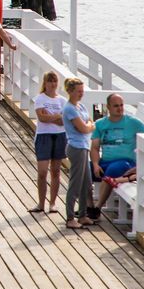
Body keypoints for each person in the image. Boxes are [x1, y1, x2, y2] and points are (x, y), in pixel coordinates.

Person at [91, 93, 144, 209]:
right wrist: (95, 164)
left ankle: (97, 208)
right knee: (83, 171)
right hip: (105, 161)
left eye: (121, 105)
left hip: (125, 162)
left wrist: (141, 163)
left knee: (113, 169)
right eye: (116, 106)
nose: (120, 108)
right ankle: (87, 206)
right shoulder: (100, 124)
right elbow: (94, 148)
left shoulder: (133, 122)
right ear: (108, 107)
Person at [62, 78, 96, 230]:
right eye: (78, 91)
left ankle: (82, 215)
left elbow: (90, 122)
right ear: (70, 91)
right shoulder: (69, 108)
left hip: (84, 147)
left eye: (82, 91)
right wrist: (89, 126)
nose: (81, 94)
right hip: (76, 147)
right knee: (75, 183)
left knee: (86, 183)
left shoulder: (80, 106)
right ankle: (70, 218)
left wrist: (88, 125)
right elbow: (84, 128)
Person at [30, 71, 66, 215]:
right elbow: (41, 118)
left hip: (59, 135)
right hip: (44, 136)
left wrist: (50, 116)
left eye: (55, 81)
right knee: (42, 172)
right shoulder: (40, 98)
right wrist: (56, 117)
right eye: (50, 81)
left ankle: (53, 203)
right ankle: (41, 203)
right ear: (45, 83)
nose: (52, 84)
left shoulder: (62, 100)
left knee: (56, 171)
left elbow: (63, 121)